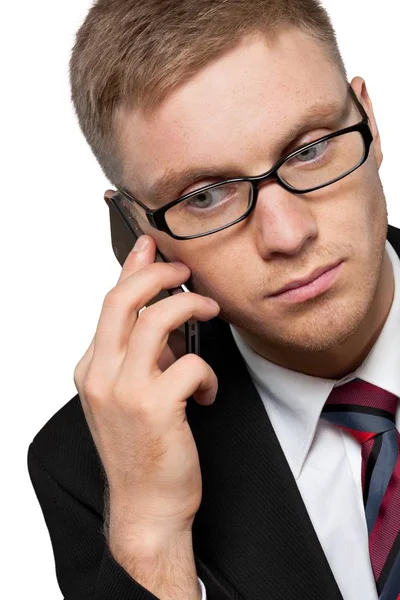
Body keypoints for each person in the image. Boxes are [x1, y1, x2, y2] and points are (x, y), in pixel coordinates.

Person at [27, 0, 400, 598]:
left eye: (308, 149)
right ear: (136, 231)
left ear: (371, 126)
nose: (288, 234)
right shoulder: (86, 466)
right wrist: (151, 535)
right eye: (204, 195)